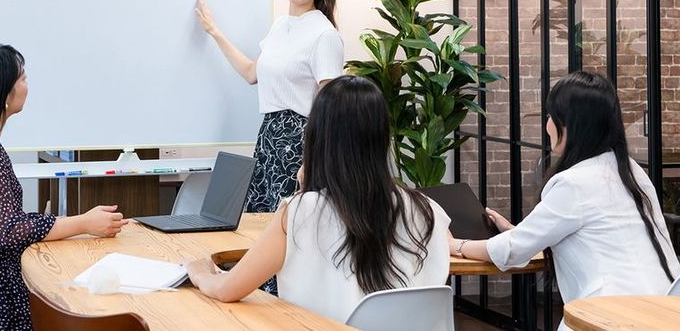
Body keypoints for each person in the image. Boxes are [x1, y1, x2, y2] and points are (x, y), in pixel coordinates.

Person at [184, 76, 451, 322]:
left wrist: (200, 273)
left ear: (318, 137)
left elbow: (227, 290)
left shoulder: (301, 211)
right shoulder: (427, 210)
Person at [448, 71, 680, 330]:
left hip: (611, 317)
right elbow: (599, 236)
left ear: (571, 125)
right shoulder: (631, 172)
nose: (547, 125)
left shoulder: (574, 183)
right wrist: (518, 231)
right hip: (664, 311)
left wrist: (455, 244)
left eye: (551, 116)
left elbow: (512, 250)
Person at [0, 45, 128, 331]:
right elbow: (8, 231)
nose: (27, 84)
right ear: (3, 94)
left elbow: (5, 221)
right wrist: (84, 223)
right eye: (22, 77)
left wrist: (75, 222)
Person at [195, 0, 344, 214]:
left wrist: (310, 162)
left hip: (300, 146)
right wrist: (214, 31)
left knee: (287, 226)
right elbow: (252, 73)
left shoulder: (325, 35)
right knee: (259, 223)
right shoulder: (280, 25)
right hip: (268, 139)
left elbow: (332, 109)